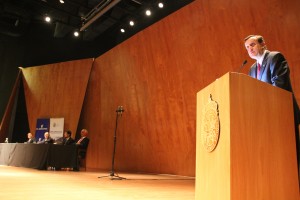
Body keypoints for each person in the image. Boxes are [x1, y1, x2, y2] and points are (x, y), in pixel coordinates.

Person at [244, 34, 300, 173]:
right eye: (247, 47)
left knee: (289, 155)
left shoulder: (275, 58)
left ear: (263, 44)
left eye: (252, 45)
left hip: (283, 114)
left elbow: (279, 87)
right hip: (265, 118)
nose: (249, 49)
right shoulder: (252, 68)